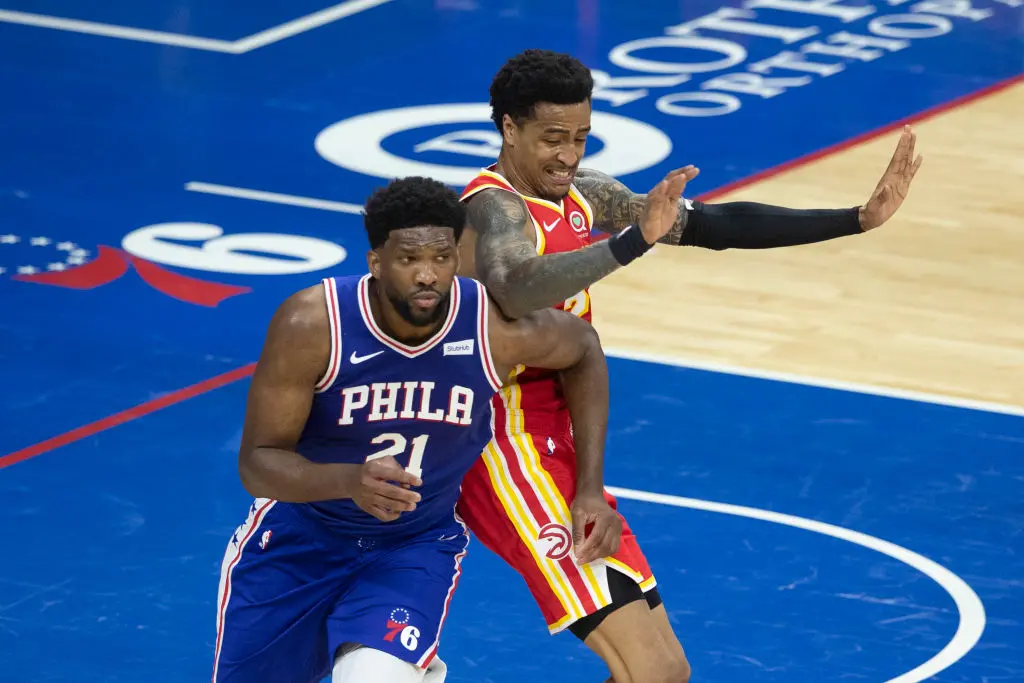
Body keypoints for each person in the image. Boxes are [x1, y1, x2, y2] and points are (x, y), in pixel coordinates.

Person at [455, 48, 924, 683]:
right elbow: (515, 286)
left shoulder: (583, 198)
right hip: (500, 446)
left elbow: (716, 225)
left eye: (581, 137)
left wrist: (854, 220)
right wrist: (630, 243)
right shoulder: (492, 208)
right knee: (648, 669)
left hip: (559, 441)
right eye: (552, 138)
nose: (569, 155)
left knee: (666, 671)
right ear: (509, 128)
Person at [211, 175, 631, 683]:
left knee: (371, 677)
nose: (427, 275)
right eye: (409, 260)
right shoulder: (313, 325)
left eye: (442, 258)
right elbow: (258, 463)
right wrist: (347, 481)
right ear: (376, 262)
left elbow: (583, 347)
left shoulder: (488, 327)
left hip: (411, 547)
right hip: (300, 541)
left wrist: (589, 489)